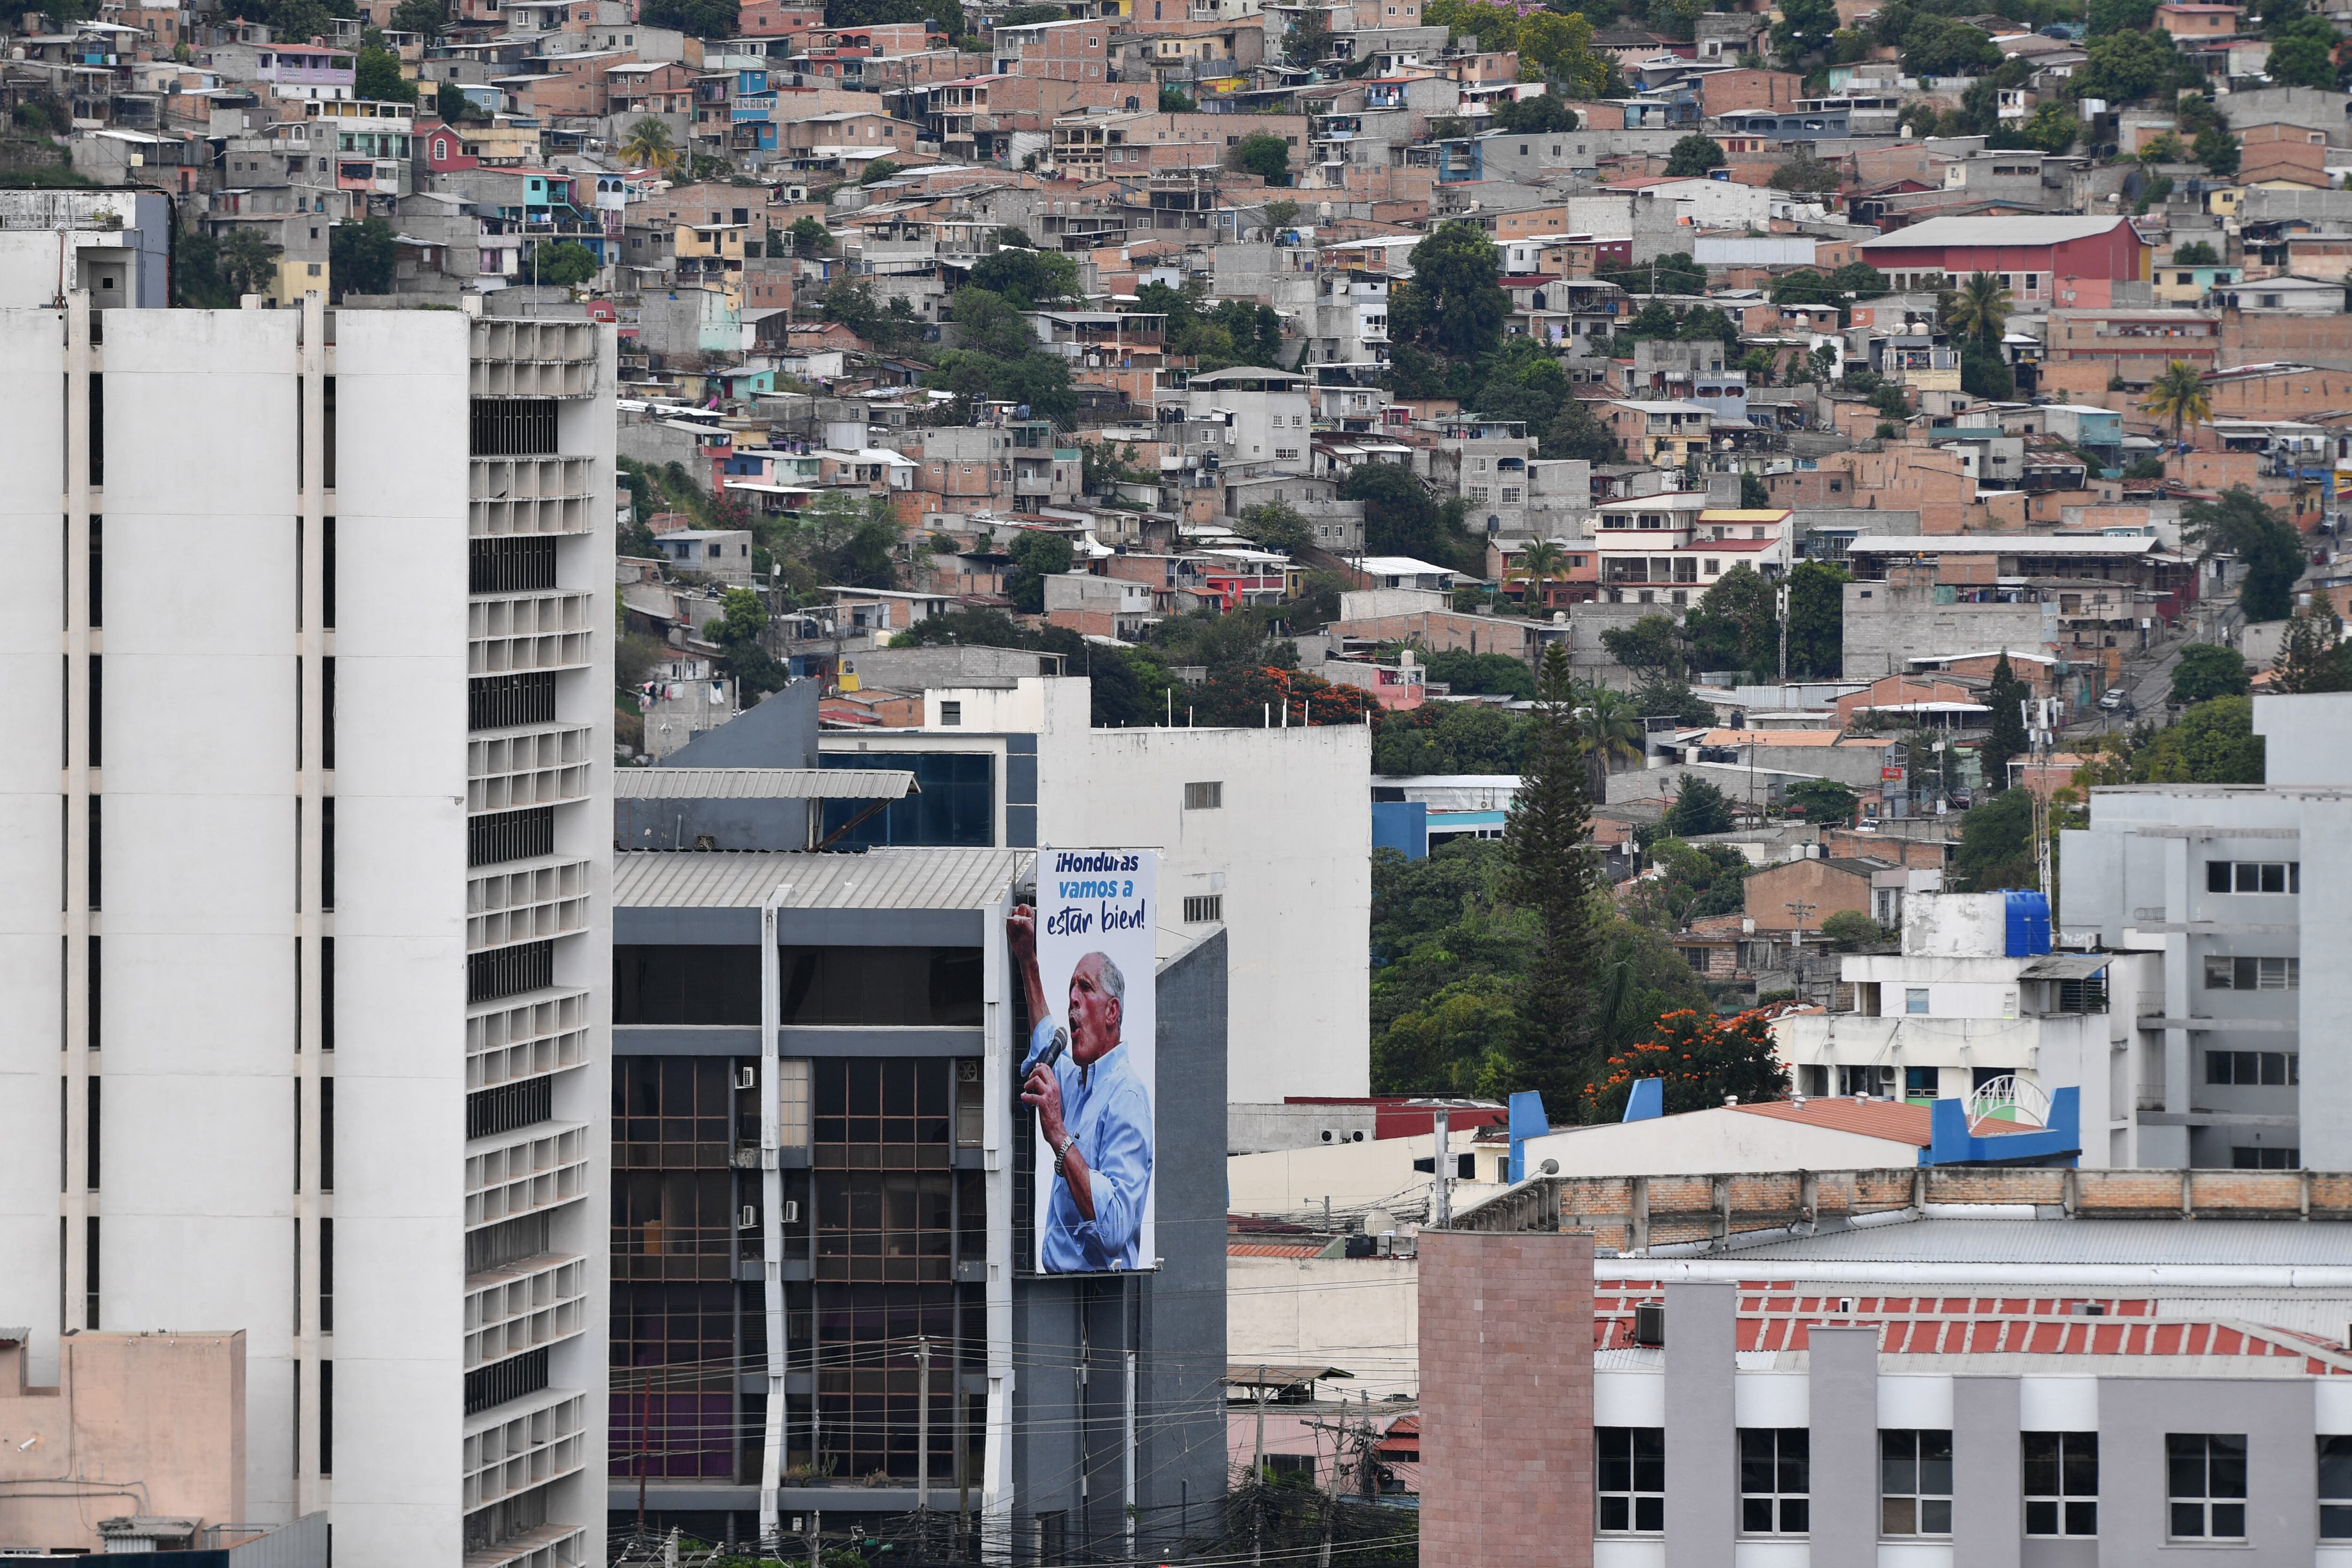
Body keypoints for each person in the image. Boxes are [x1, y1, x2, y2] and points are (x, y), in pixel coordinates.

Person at [1009, 903, 1152, 1272]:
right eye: (1071, 987)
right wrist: (1028, 959)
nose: (1072, 997)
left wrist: (1058, 1134)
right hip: (1059, 1300)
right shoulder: (1077, 1081)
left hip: (1097, 1305)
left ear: (1112, 1012)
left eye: (1085, 988)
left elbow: (1116, 1226)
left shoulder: (1127, 1097)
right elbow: (1045, 1035)